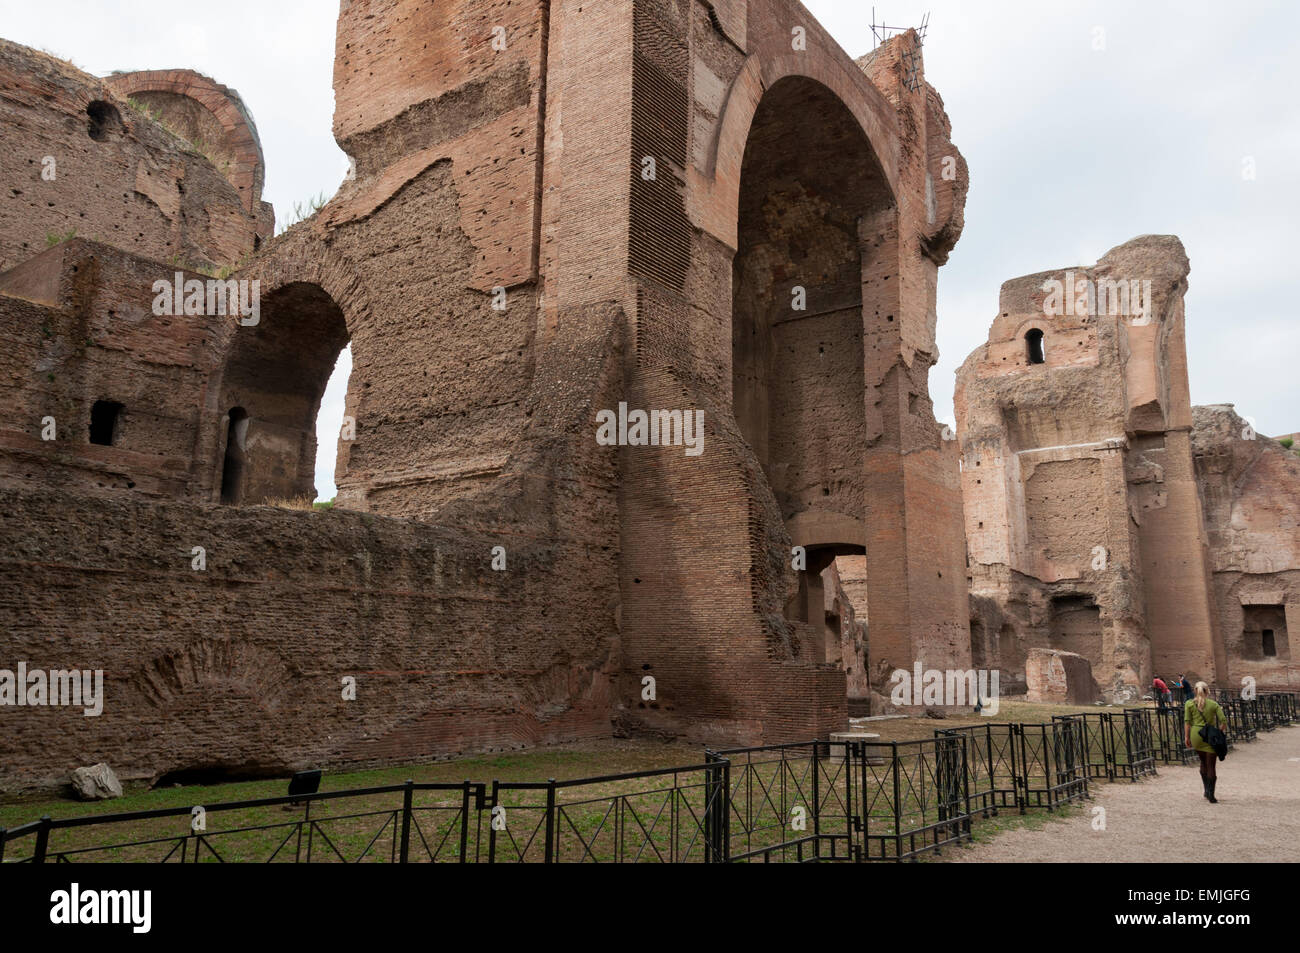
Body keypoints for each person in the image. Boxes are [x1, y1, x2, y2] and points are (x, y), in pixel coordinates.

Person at [1184, 681, 1226, 803]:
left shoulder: (1189, 704)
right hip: (1210, 735)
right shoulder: (1213, 704)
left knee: (1203, 762)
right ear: (1207, 691)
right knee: (1211, 765)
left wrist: (1187, 737)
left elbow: (1187, 722)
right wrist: (1219, 732)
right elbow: (1223, 720)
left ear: (1195, 691)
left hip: (1196, 734)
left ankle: (1206, 790)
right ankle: (1211, 794)